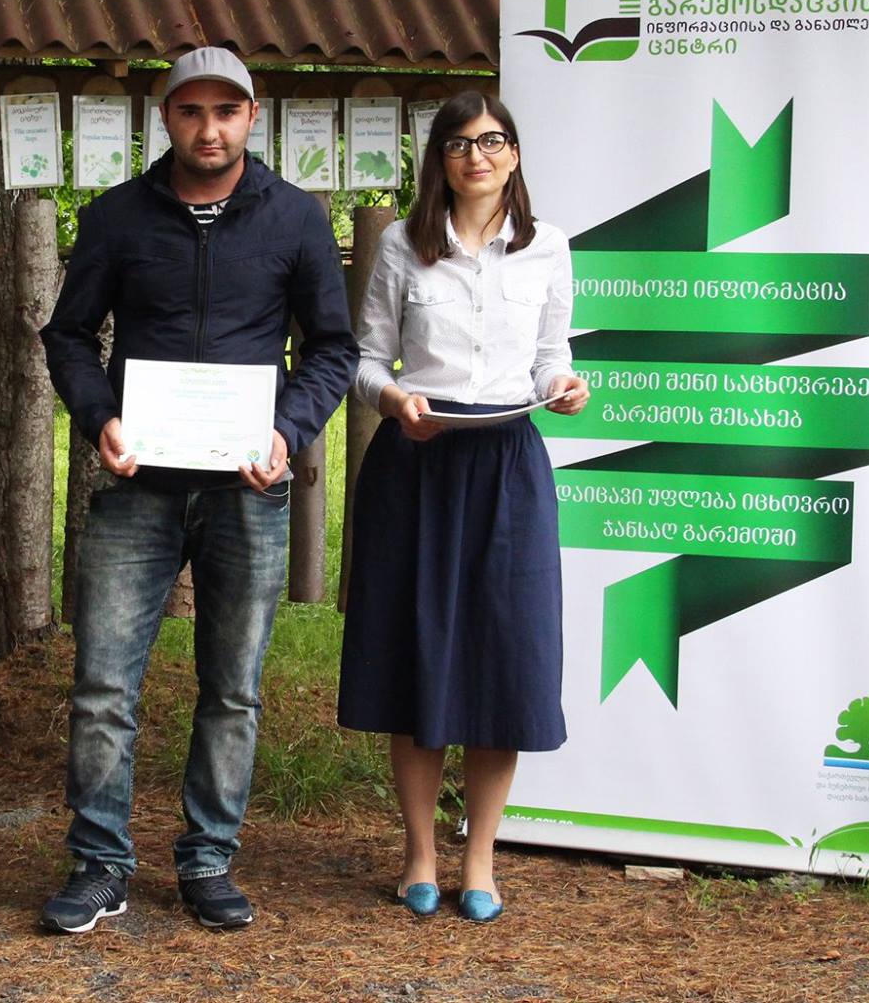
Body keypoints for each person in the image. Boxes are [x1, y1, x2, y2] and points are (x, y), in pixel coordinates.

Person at [38, 46, 358, 933]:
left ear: (252, 116)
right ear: (167, 118)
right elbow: (68, 335)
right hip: (137, 486)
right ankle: (101, 862)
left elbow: (333, 347)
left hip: (246, 489)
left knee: (233, 687)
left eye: (226, 111)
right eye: (191, 111)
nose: (208, 128)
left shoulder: (296, 218)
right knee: (103, 683)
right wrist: (99, 415)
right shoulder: (116, 217)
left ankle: (208, 858)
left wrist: (285, 431)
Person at [336, 90, 591, 923]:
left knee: (503, 660)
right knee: (416, 656)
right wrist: (393, 400)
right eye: (458, 143)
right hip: (417, 462)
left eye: (491, 141)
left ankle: (479, 857)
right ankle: (418, 851)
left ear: (513, 153)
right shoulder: (403, 248)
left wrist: (564, 385)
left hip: (509, 466)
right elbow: (365, 359)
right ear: (438, 159)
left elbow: (550, 355)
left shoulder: (549, 247)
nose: (476, 156)